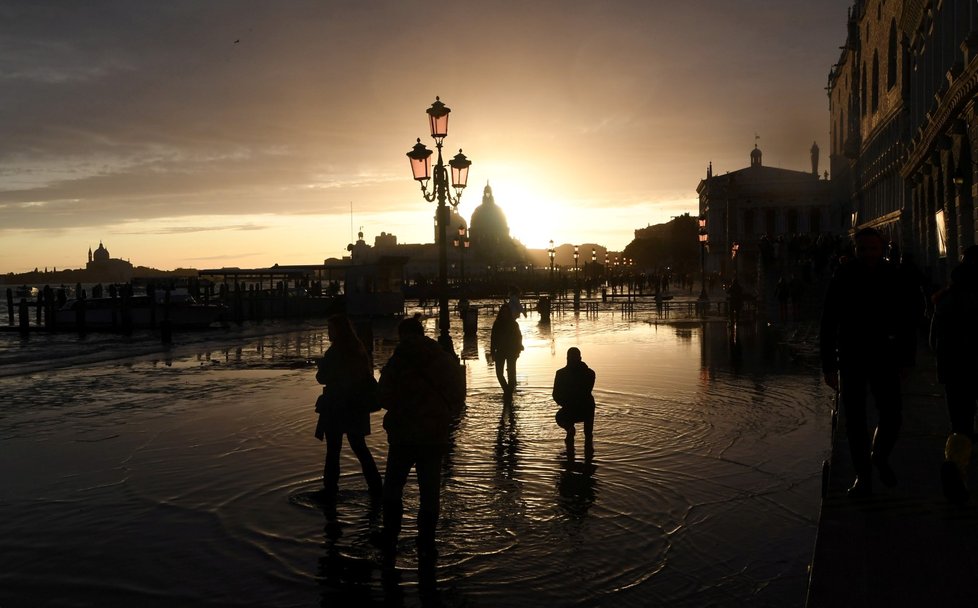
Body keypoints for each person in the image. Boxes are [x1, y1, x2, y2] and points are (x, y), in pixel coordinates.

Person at [819, 227, 917, 497]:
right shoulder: (844, 275)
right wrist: (828, 365)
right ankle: (863, 477)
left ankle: (879, 456)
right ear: (855, 250)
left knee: (893, 415)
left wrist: (907, 359)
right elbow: (828, 322)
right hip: (851, 355)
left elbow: (907, 322)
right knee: (854, 421)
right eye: (862, 249)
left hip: (885, 354)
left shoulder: (893, 276)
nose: (868, 254)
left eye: (872, 249)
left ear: (881, 248)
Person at [375, 317, 465, 562]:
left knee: (393, 489)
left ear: (402, 335)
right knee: (430, 492)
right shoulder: (442, 359)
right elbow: (458, 396)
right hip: (434, 434)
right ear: (422, 332)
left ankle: (391, 540)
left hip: (403, 435)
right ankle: (426, 544)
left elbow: (382, 397)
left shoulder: (397, 361)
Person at [314, 314, 383, 503]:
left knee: (333, 451)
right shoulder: (358, 350)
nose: (329, 333)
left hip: (337, 405)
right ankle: (376, 486)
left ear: (338, 331)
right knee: (360, 448)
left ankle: (330, 490)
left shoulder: (335, 352)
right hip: (356, 405)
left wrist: (321, 367)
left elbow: (323, 378)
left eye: (331, 329)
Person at [930, 245, 978, 504]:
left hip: (952, 370)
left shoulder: (943, 301)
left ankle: (955, 464)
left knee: (960, 424)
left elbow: (932, 341)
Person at [553, 347, 596, 460]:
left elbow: (555, 395)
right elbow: (586, 392)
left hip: (573, 408)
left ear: (567, 359)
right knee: (588, 436)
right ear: (580, 358)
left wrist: (565, 403)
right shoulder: (590, 373)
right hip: (586, 408)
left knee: (559, 417)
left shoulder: (560, 374)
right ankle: (588, 460)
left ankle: (570, 431)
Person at [490, 304, 523, 396]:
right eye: (503, 312)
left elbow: (519, 337)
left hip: (511, 351)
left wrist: (518, 349)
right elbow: (493, 338)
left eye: (506, 312)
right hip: (500, 351)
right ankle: (506, 389)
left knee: (511, 373)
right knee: (499, 373)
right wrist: (492, 352)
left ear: (509, 313)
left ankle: (509, 392)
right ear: (501, 313)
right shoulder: (497, 324)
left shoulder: (514, 324)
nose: (504, 314)